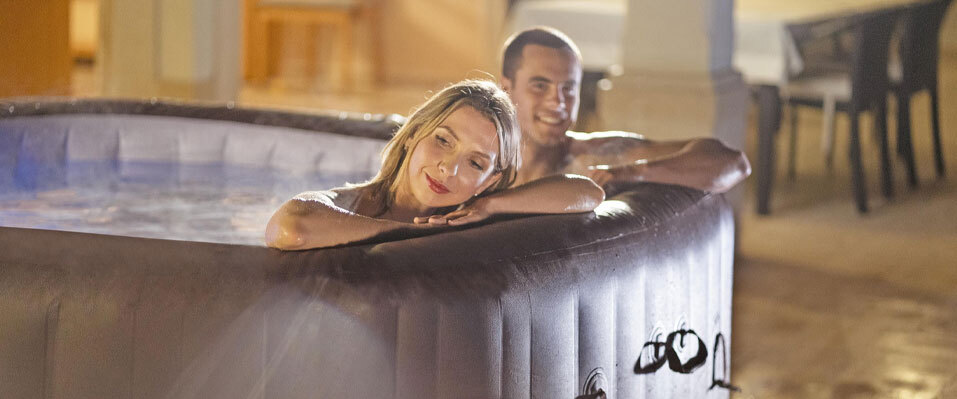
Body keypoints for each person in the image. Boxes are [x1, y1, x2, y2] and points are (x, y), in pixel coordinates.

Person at [265, 79, 604, 250]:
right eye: (443, 140)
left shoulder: (476, 214)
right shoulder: (346, 204)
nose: (449, 169)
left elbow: (587, 193)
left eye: (475, 162)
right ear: (413, 134)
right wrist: (412, 234)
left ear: (488, 180)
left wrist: (491, 204)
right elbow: (291, 229)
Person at [499, 27, 751, 193]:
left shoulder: (596, 158)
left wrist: (633, 172)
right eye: (540, 86)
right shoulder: (480, 159)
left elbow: (734, 163)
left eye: (569, 88)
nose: (558, 102)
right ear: (506, 89)